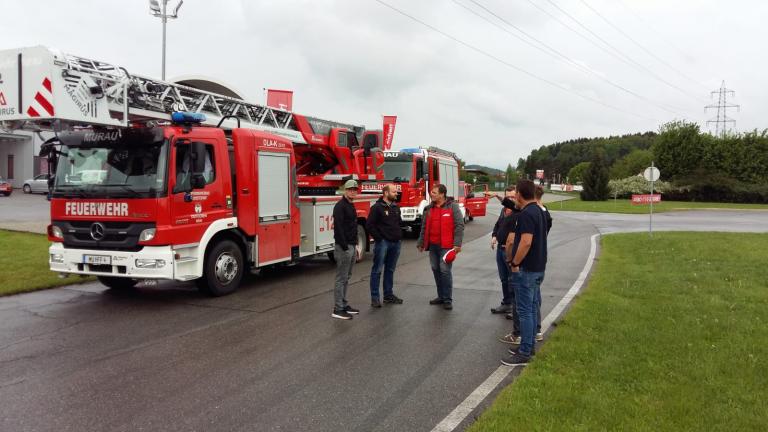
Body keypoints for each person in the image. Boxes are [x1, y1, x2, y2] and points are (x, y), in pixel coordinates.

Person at [501, 179, 548, 365]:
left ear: (519, 194)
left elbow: (526, 242)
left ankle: (525, 352)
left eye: (516, 193)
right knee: (530, 308)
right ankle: (528, 347)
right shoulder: (538, 210)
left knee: (525, 311)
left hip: (527, 269)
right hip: (538, 267)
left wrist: (514, 262)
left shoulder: (527, 214)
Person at [417, 184, 464, 310]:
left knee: (444, 271)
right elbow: (424, 227)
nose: (431, 194)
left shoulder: (452, 207)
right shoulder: (428, 209)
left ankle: (447, 299)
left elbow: (459, 225)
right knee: (435, 269)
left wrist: (457, 244)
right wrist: (421, 242)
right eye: (431, 192)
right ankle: (441, 296)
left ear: (442, 194)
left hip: (447, 246)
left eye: (434, 192)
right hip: (433, 246)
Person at [366, 184, 404, 308]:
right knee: (377, 270)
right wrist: (380, 239)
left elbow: (399, 223)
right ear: (386, 193)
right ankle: (375, 298)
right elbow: (370, 225)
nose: (396, 194)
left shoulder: (395, 207)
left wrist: (398, 236)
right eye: (394, 192)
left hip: (396, 243)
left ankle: (388, 295)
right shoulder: (377, 208)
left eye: (396, 192)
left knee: (390, 270)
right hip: (383, 243)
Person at [331, 179, 361, 320]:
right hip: (344, 247)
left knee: (347, 277)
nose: (353, 191)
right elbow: (338, 229)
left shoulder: (351, 205)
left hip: (351, 245)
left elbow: (352, 227)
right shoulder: (340, 206)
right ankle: (338, 309)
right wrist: (345, 247)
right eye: (350, 189)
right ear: (345, 190)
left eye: (355, 189)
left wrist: (355, 246)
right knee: (341, 278)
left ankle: (343, 304)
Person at [490, 186, 518, 315]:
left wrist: (497, 196)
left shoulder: (518, 211)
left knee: (513, 279)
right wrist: (494, 236)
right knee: (504, 279)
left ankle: (515, 307)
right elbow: (498, 225)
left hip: (511, 250)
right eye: (508, 197)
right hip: (500, 249)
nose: (510, 199)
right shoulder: (504, 210)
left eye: (513, 196)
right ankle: (506, 303)